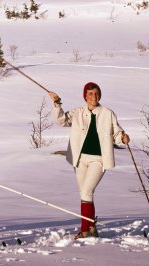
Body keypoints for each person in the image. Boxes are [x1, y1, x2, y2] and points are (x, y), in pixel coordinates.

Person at [47, 82, 129, 239]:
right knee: (85, 194)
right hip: (80, 158)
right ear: (85, 96)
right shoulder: (78, 112)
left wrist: (122, 138)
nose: (93, 96)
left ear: (100, 95)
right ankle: (91, 228)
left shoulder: (107, 113)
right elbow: (61, 120)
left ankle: (84, 231)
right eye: (90, 93)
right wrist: (57, 103)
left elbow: (116, 133)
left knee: (86, 191)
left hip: (98, 159)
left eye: (96, 93)